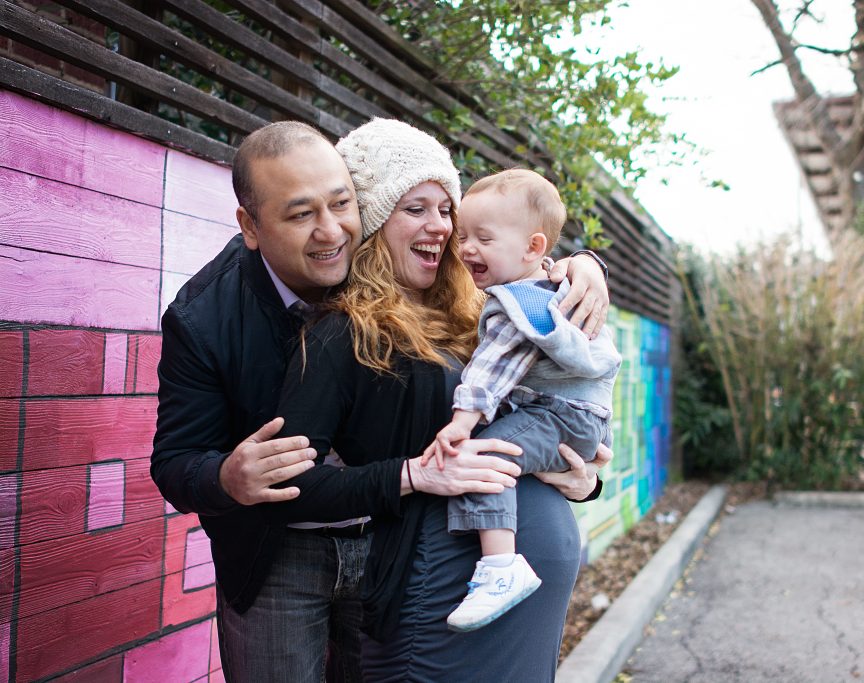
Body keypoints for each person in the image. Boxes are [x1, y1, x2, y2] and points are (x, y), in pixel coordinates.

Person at [150, 121, 609, 682]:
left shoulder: (447, 296)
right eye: (301, 215)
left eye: (341, 205)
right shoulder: (209, 317)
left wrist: (583, 266)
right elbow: (175, 461)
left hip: (391, 545)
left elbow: (528, 356)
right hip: (279, 554)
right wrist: (225, 478)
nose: (330, 232)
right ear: (252, 226)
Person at [421, 169, 621, 632]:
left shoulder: (518, 300)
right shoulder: (538, 291)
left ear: (533, 249)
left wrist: (461, 422)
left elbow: (493, 369)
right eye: (464, 235)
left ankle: (500, 568)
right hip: (567, 418)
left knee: (482, 455)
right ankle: (499, 566)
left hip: (560, 419)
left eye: (482, 238)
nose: (465, 246)